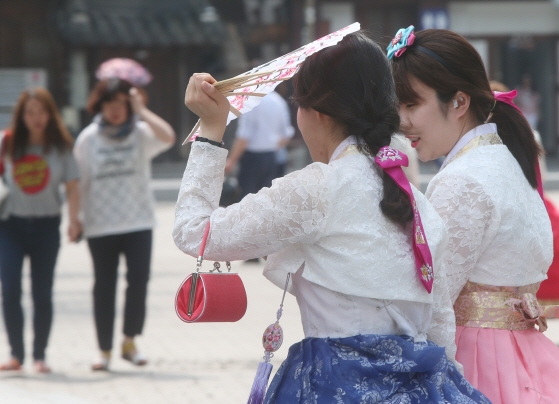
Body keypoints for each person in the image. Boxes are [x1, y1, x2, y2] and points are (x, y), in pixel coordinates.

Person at [174, 32, 490, 403]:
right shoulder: (416, 202)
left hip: (333, 383)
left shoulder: (318, 188)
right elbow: (439, 327)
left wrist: (211, 132)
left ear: (315, 112)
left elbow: (194, 232)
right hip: (418, 386)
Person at [389, 25, 559, 403]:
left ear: (459, 102)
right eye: (396, 105)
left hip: (478, 360)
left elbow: (428, 302)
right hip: (521, 356)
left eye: (412, 104)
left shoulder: (464, 179)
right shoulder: (504, 160)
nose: (401, 121)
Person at [74, 78, 175, 371]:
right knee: (104, 286)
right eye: (109, 103)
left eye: (121, 103)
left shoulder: (141, 133)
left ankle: (129, 342)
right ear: (99, 105)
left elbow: (168, 136)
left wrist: (141, 109)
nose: (115, 110)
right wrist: (75, 219)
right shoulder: (88, 139)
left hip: (138, 221)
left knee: (138, 282)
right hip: (100, 225)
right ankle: (103, 350)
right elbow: (79, 183)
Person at [0, 87, 81, 373]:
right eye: (30, 113)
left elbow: (72, 187)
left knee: (42, 293)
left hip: (47, 226)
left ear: (50, 114)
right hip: (10, 226)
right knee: (9, 289)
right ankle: (15, 354)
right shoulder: (7, 144)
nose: (36, 118)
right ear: (21, 116)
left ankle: (40, 355)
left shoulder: (60, 146)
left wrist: (73, 220)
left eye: (41, 112)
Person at [224, 90, 295, 197]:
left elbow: (244, 136)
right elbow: (287, 134)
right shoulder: (279, 101)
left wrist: (231, 161)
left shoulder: (251, 100)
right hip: (271, 157)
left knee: (247, 200)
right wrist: (270, 145)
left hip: (252, 159)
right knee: (267, 199)